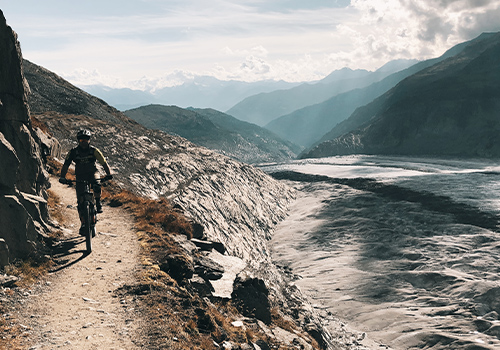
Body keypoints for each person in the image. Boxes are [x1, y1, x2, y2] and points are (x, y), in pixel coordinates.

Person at [59, 129, 113, 235]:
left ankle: (98, 202)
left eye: (86, 139)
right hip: (80, 175)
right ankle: (83, 223)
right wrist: (62, 177)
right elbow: (66, 165)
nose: (84, 141)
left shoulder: (94, 151)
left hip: (93, 173)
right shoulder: (73, 152)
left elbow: (104, 163)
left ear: (89, 140)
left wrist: (108, 174)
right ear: (78, 140)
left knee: (97, 184)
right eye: (81, 139)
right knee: (80, 201)